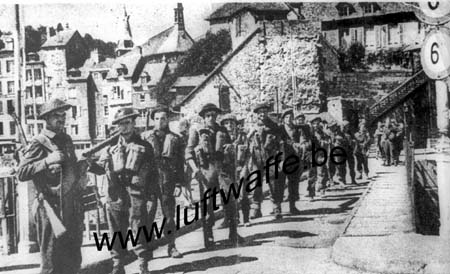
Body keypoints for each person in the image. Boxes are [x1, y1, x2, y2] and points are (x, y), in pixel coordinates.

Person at [17, 98, 85, 274]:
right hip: (49, 208)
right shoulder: (38, 143)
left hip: (69, 206)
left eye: (63, 115)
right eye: (57, 115)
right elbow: (22, 172)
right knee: (51, 260)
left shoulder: (66, 139)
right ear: (46, 118)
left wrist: (84, 165)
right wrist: (47, 161)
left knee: (72, 257)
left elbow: (70, 170)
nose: (61, 119)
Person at [89, 107, 158, 274]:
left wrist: (151, 196)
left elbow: (152, 173)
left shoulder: (145, 145)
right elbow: (100, 169)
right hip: (116, 192)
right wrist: (92, 163)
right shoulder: (110, 147)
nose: (124, 127)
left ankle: (143, 263)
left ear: (134, 123)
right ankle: (118, 264)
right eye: (120, 124)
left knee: (139, 227)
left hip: (136, 192)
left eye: (127, 123)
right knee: (116, 230)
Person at [185, 103, 243, 248]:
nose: (211, 118)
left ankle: (233, 232)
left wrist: (230, 150)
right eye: (208, 115)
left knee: (230, 200)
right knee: (207, 204)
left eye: (213, 115)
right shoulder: (197, 132)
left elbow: (229, 146)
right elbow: (188, 153)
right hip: (206, 170)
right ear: (204, 117)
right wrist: (194, 169)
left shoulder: (222, 130)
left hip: (223, 169)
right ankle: (208, 234)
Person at [141, 105, 184, 259]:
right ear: (153, 120)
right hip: (149, 182)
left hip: (167, 181)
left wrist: (179, 184)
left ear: (168, 120)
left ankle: (172, 247)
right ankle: (148, 249)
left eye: (163, 118)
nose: (160, 122)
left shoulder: (176, 139)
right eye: (157, 119)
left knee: (169, 217)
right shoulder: (144, 138)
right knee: (147, 216)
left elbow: (180, 163)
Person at [246, 102, 285, 219]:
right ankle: (256, 208)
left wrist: (281, 159)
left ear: (267, 113)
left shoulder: (274, 126)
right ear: (256, 114)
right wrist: (250, 132)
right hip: (256, 157)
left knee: (273, 182)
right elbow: (246, 142)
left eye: (264, 112)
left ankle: (276, 207)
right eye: (259, 112)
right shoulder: (252, 126)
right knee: (256, 183)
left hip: (270, 157)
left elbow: (281, 143)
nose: (262, 114)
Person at [219, 113, 250, 227]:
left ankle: (246, 218)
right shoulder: (221, 137)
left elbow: (248, 153)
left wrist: (245, 167)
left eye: (231, 123)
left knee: (242, 194)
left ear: (236, 124)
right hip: (226, 171)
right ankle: (230, 219)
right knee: (227, 195)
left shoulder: (242, 137)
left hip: (240, 168)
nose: (229, 126)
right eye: (226, 123)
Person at [280, 109, 301, 214]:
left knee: (293, 183)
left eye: (290, 117)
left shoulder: (297, 129)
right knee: (280, 182)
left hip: (293, 159)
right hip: (282, 159)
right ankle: (278, 208)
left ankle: (292, 206)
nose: (289, 119)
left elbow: (302, 140)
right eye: (286, 117)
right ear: (283, 119)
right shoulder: (280, 129)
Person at [342, 120, 357, 185]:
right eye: (346, 126)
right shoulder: (341, 133)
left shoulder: (351, 133)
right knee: (343, 167)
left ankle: (353, 180)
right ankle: (343, 180)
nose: (348, 127)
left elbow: (355, 141)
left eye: (348, 126)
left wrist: (353, 143)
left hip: (350, 151)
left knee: (352, 167)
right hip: (343, 152)